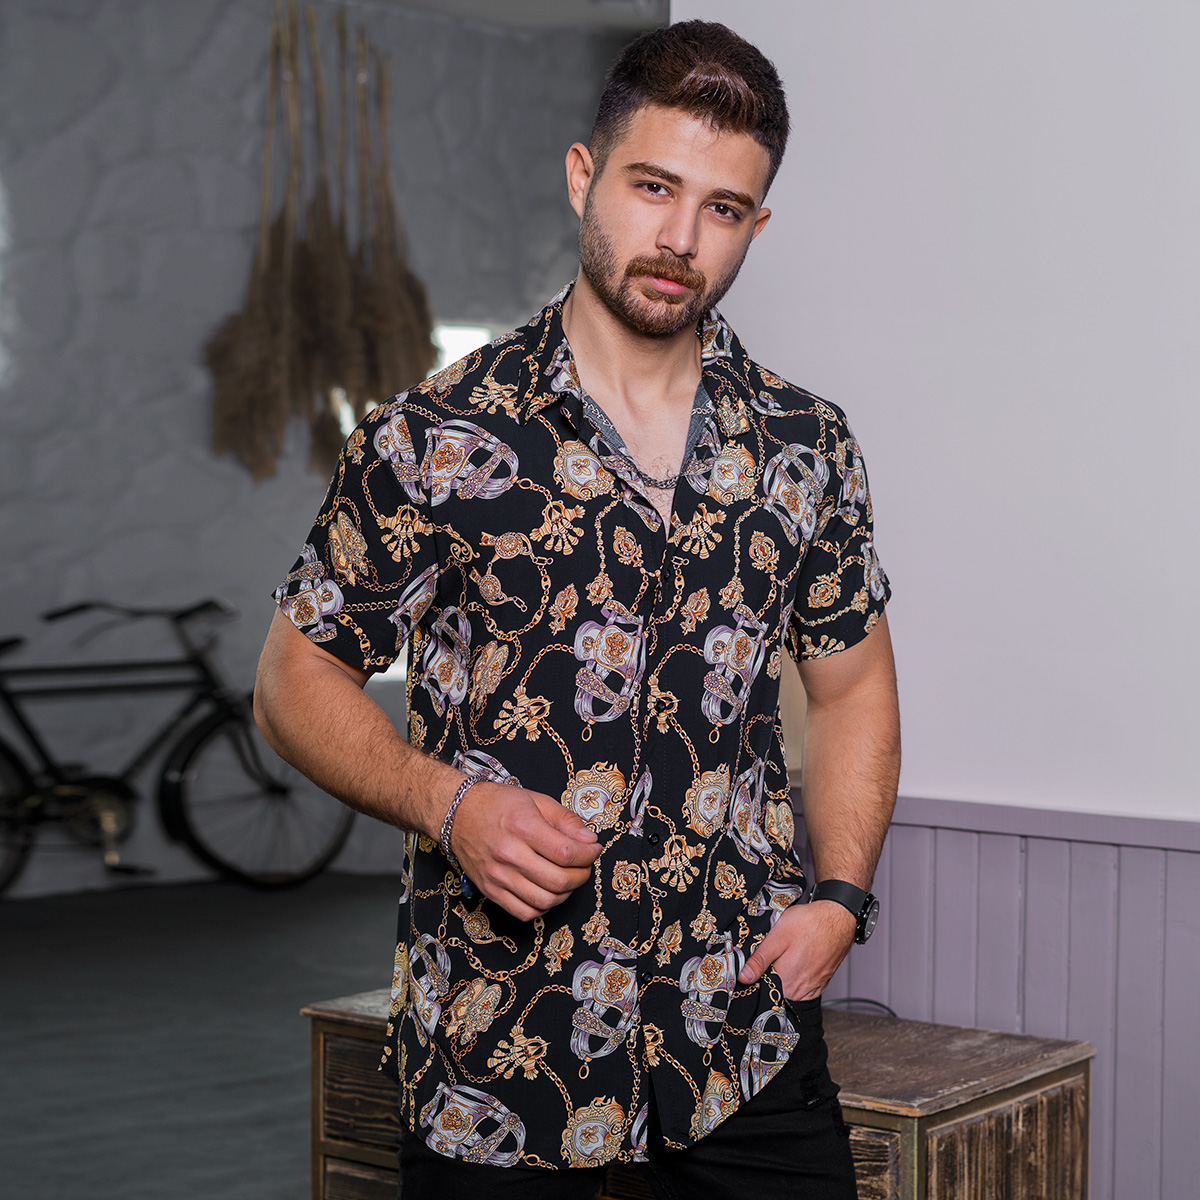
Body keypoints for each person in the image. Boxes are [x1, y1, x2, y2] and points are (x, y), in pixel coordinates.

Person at [256, 19, 899, 1200]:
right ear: (582, 176)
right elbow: (292, 681)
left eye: (721, 207)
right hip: (498, 1053)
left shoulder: (806, 445)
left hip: (740, 1038)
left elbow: (853, 685)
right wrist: (450, 805)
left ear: (756, 226)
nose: (680, 239)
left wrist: (841, 900)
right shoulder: (431, 438)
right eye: (653, 187)